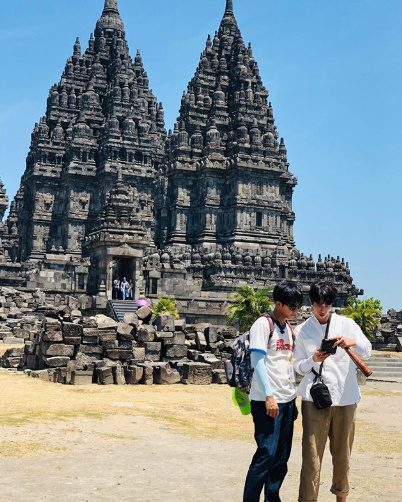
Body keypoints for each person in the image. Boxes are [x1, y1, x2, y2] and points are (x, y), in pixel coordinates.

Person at [293, 280, 372, 502]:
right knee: (311, 457)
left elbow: (367, 350)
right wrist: (313, 359)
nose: (322, 308)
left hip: (345, 397)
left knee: (342, 456)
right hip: (314, 398)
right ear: (311, 303)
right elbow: (298, 366)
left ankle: (341, 497)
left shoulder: (347, 324)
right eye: (318, 303)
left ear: (332, 303)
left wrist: (351, 342)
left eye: (327, 303)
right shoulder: (302, 330)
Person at [243, 280, 303, 502]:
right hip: (267, 400)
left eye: (298, 306)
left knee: (281, 457)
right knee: (266, 453)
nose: (296, 310)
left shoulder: (287, 328)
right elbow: (257, 361)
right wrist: (269, 396)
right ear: (278, 303)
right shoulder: (263, 324)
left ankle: (272, 497)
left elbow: (289, 361)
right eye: (293, 306)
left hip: (288, 399)